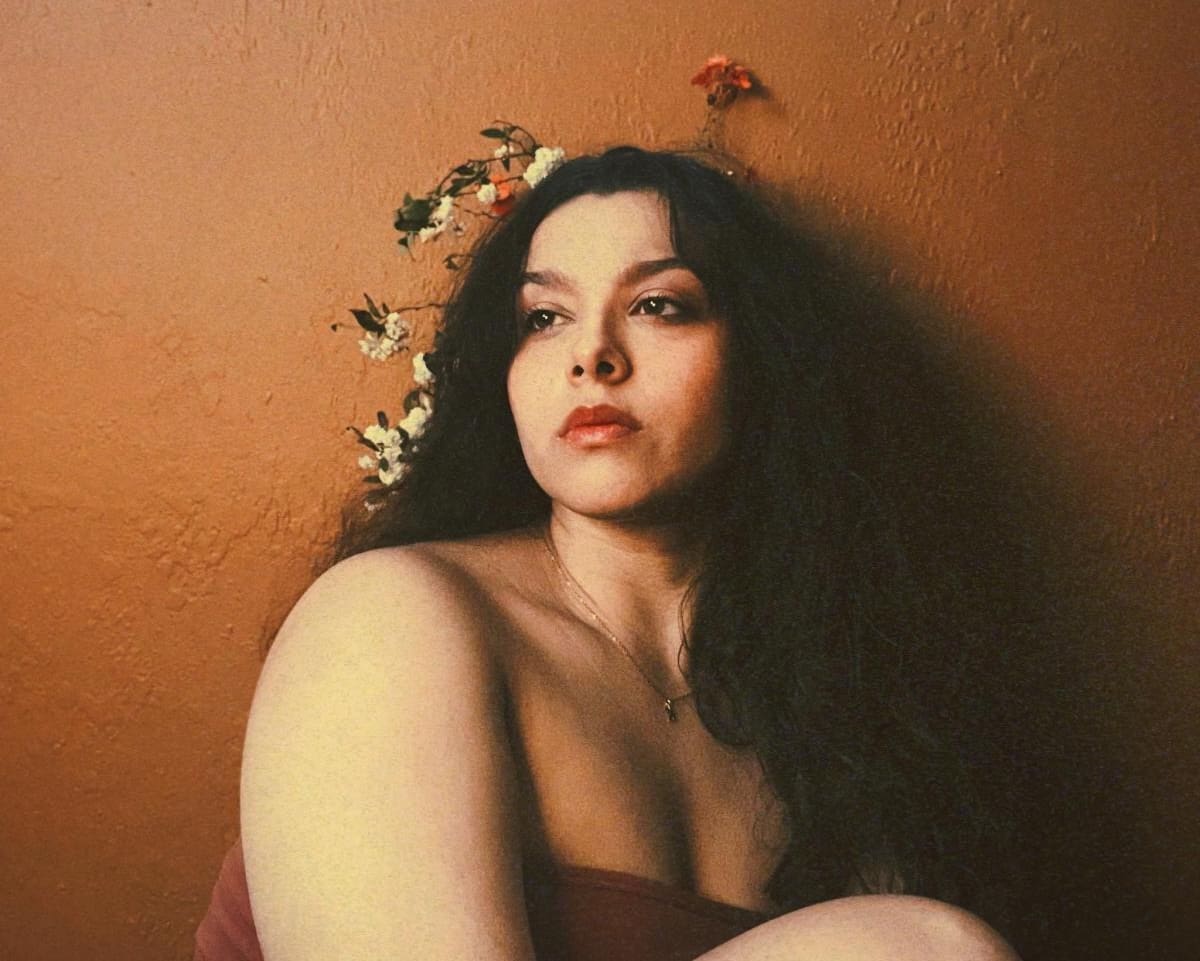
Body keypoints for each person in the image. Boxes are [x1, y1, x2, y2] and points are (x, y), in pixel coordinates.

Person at [196, 147, 1020, 960]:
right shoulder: (391, 620)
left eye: (659, 305)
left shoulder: (832, 710)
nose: (591, 355)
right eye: (543, 318)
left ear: (765, 357)